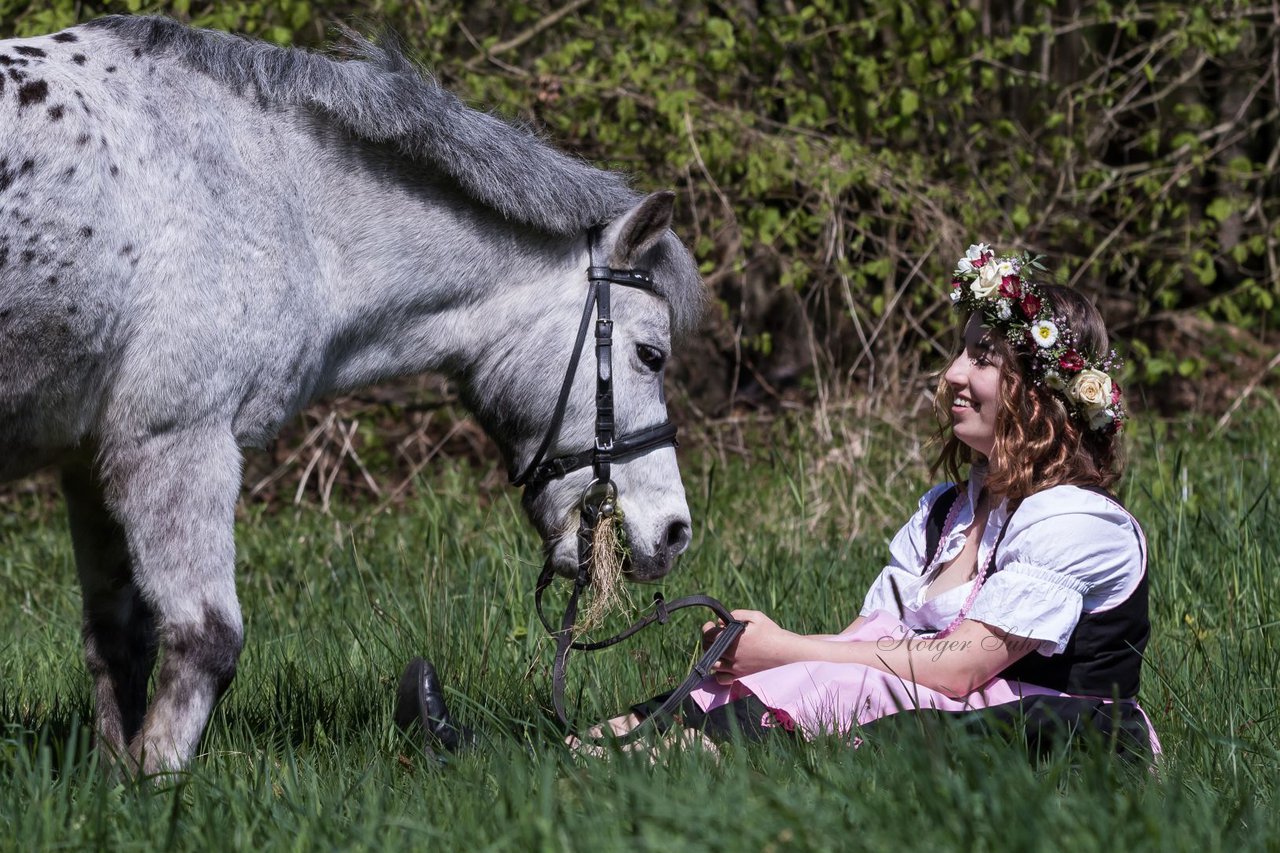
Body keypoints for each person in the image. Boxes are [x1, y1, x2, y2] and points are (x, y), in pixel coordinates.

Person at [578, 242, 1157, 757]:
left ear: (1038, 395)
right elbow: (868, 641)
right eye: (961, 350)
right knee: (773, 679)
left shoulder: (1077, 518)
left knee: (843, 684)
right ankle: (585, 749)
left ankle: (656, 762)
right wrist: (766, 651)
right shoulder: (945, 513)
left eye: (983, 359)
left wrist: (786, 648)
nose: (953, 372)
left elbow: (959, 668)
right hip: (945, 708)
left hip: (1061, 733)